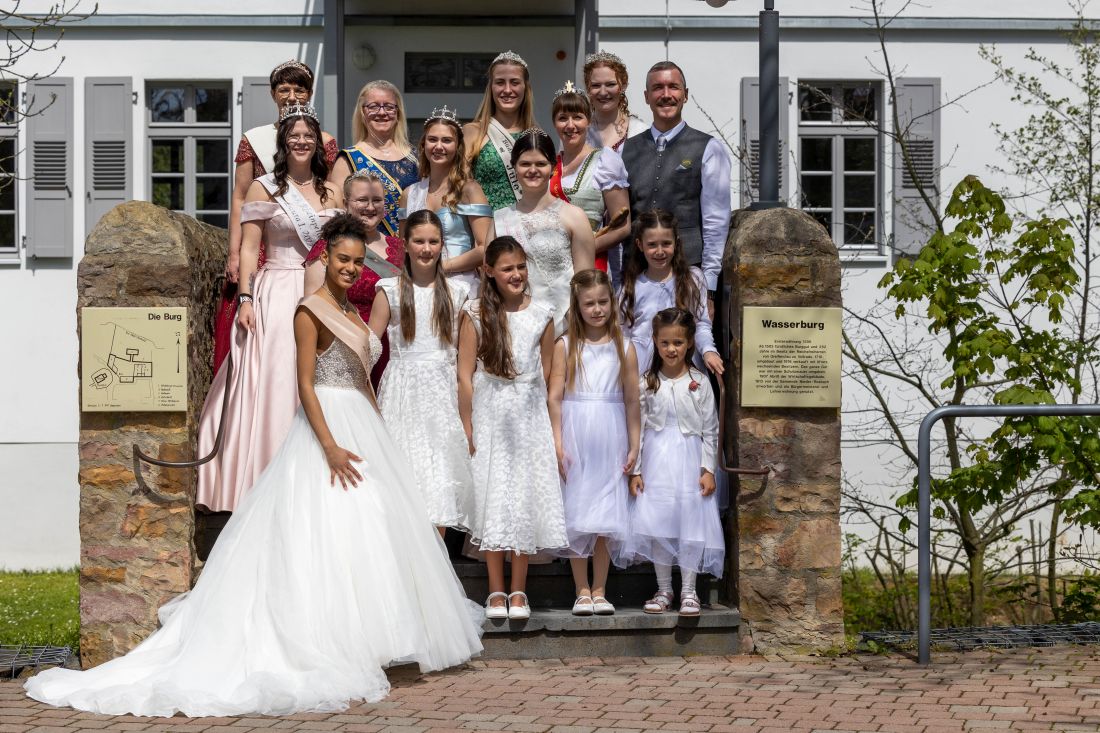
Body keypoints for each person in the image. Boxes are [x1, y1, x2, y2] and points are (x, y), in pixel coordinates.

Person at [24, 214, 484, 717]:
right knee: (328, 528)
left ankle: (374, 640)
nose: (351, 268)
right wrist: (329, 446)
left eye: (357, 261)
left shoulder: (353, 311)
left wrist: (379, 428)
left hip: (363, 423)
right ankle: (327, 640)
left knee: (371, 526)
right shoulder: (309, 311)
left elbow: (363, 377)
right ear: (325, 257)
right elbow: (304, 384)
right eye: (343, 259)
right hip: (327, 427)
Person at [196, 103, 343, 513]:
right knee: (279, 377)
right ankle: (265, 472)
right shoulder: (263, 188)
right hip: (276, 291)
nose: (301, 141)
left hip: (321, 292)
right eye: (294, 135)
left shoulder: (332, 191)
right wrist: (245, 298)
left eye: (308, 135)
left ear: (317, 143)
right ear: (283, 141)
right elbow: (249, 249)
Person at [457, 237, 566, 621]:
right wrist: (468, 425)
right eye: (507, 268)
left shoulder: (542, 313)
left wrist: (549, 429)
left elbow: (548, 373)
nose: (517, 274)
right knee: (494, 497)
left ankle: (519, 589)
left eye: (521, 266)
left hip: (527, 417)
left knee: (521, 499)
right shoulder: (475, 313)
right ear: (489, 271)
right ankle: (495, 589)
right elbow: (465, 375)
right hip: (491, 414)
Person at [213, 59, 339, 371]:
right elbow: (240, 196)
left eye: (299, 89)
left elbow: (329, 195)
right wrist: (233, 252)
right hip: (264, 243)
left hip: (310, 246)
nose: (292, 96)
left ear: (309, 94)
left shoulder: (324, 141)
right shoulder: (254, 139)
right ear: (273, 94)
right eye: (284, 89)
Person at [368, 210, 474, 534]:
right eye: (419, 241)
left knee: (438, 476)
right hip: (402, 392)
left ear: (442, 244)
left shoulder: (458, 293)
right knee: (404, 471)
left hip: (442, 393)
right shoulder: (389, 289)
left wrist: (467, 418)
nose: (426, 249)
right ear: (405, 244)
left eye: (433, 241)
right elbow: (368, 348)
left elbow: (465, 360)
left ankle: (436, 558)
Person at [547, 269, 640, 617]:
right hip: (577, 431)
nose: (597, 309)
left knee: (606, 514)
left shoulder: (625, 347)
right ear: (578, 306)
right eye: (590, 304)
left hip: (611, 433)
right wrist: (557, 442)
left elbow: (632, 400)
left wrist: (635, 445)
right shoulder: (565, 345)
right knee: (578, 511)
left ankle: (600, 588)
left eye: (603, 302)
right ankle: (581, 589)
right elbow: (554, 396)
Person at [623, 308, 722, 618]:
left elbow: (711, 429)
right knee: (659, 525)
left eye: (678, 342)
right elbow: (638, 429)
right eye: (665, 342)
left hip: (689, 459)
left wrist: (708, 469)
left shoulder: (699, 381)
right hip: (656, 460)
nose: (671, 349)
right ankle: (664, 588)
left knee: (690, 524)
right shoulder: (647, 382)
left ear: (689, 343)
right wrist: (636, 470)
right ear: (655, 341)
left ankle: (689, 589)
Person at [619, 60, 733, 316]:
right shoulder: (627, 149)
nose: (666, 94)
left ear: (685, 94)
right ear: (646, 97)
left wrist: (709, 287)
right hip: (636, 276)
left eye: (673, 87)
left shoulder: (708, 148)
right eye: (658, 88)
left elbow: (716, 222)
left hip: (688, 276)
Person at [305, 171, 405, 388]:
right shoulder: (327, 246)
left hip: (394, 353)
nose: (370, 207)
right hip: (345, 345)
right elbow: (313, 307)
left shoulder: (399, 248)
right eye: (362, 200)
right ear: (345, 203)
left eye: (377, 200)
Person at [493, 130, 595, 336]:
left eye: (540, 164)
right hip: (514, 327)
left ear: (553, 167)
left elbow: (585, 282)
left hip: (564, 327)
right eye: (525, 164)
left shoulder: (574, 216)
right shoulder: (500, 219)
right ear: (514, 167)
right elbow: (492, 282)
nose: (533, 170)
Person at [618, 209, 724, 377]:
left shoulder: (692, 279)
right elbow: (623, 333)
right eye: (652, 244)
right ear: (640, 245)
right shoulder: (631, 286)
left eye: (666, 243)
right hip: (643, 373)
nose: (660, 251)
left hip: (684, 370)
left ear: (676, 242)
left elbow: (701, 324)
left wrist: (708, 350)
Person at [398, 106, 493, 290]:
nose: (439, 146)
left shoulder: (469, 190)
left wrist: (440, 266)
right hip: (417, 286)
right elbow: (403, 248)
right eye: (432, 139)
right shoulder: (409, 194)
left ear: (457, 146)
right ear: (423, 144)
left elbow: (486, 248)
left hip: (461, 285)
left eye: (447, 140)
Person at [550, 81, 631, 274]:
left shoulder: (605, 160)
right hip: (550, 267)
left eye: (577, 117)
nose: (570, 125)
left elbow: (623, 227)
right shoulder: (548, 165)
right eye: (562, 118)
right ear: (554, 123)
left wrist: (581, 250)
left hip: (590, 264)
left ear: (588, 120)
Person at [329, 80, 419, 237]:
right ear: (362, 112)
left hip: (413, 247)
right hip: (367, 247)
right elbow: (340, 215)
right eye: (373, 106)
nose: (382, 112)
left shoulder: (416, 157)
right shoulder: (347, 159)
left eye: (389, 107)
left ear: (398, 113)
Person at [465, 51, 537, 211]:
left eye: (515, 82)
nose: (507, 90)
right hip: (485, 224)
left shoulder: (535, 135)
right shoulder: (473, 132)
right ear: (491, 87)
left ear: (525, 87)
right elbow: (459, 185)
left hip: (526, 223)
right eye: (500, 82)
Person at [583, 51, 648, 152]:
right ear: (588, 88)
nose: (603, 92)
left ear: (623, 86)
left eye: (610, 84)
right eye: (596, 85)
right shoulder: (578, 130)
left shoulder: (639, 130)